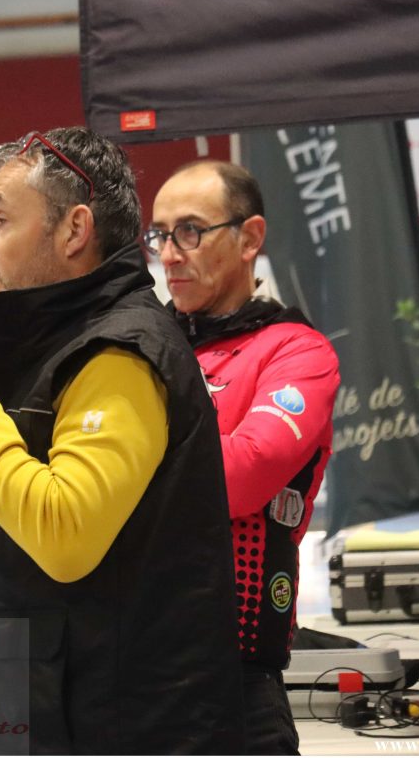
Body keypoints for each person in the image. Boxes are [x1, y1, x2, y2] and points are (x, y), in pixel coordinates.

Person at [0, 127, 243, 754]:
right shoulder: (54, 349)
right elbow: (19, 531)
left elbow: (64, 536)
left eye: (0, 219)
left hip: (125, 724)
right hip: (43, 702)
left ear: (74, 230)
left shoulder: (120, 353)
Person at [148, 160, 341, 755]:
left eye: (190, 231)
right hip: (130, 665)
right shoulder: (145, 343)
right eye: (159, 234)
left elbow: (237, 479)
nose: (169, 254)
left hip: (235, 675)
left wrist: (123, 462)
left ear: (249, 237)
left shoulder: (296, 351)